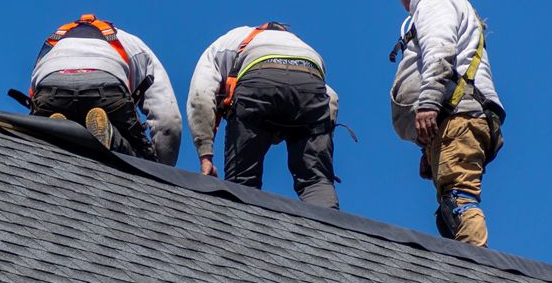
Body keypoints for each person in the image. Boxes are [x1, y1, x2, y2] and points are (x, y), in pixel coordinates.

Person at [383, 0, 506, 246]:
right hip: (458, 117)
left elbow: (440, 50)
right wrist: (428, 147)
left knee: (459, 200)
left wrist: (427, 104)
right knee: (449, 213)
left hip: (459, 115)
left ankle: (479, 276)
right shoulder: (443, 1)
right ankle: (465, 273)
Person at [186, 23, 340, 207]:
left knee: (241, 183)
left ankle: (240, 224)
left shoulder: (225, 43)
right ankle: (326, 232)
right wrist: (321, 154)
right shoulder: (302, 47)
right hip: (310, 86)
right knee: (316, 181)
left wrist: (205, 157)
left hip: (258, 84)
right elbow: (329, 98)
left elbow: (200, 95)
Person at [28, 15, 180, 163]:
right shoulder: (133, 44)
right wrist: (162, 170)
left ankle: (57, 131)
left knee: (57, 139)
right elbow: (168, 121)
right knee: (140, 159)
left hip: (51, 89)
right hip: (106, 88)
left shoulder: (53, 43)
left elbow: (35, 92)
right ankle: (112, 136)